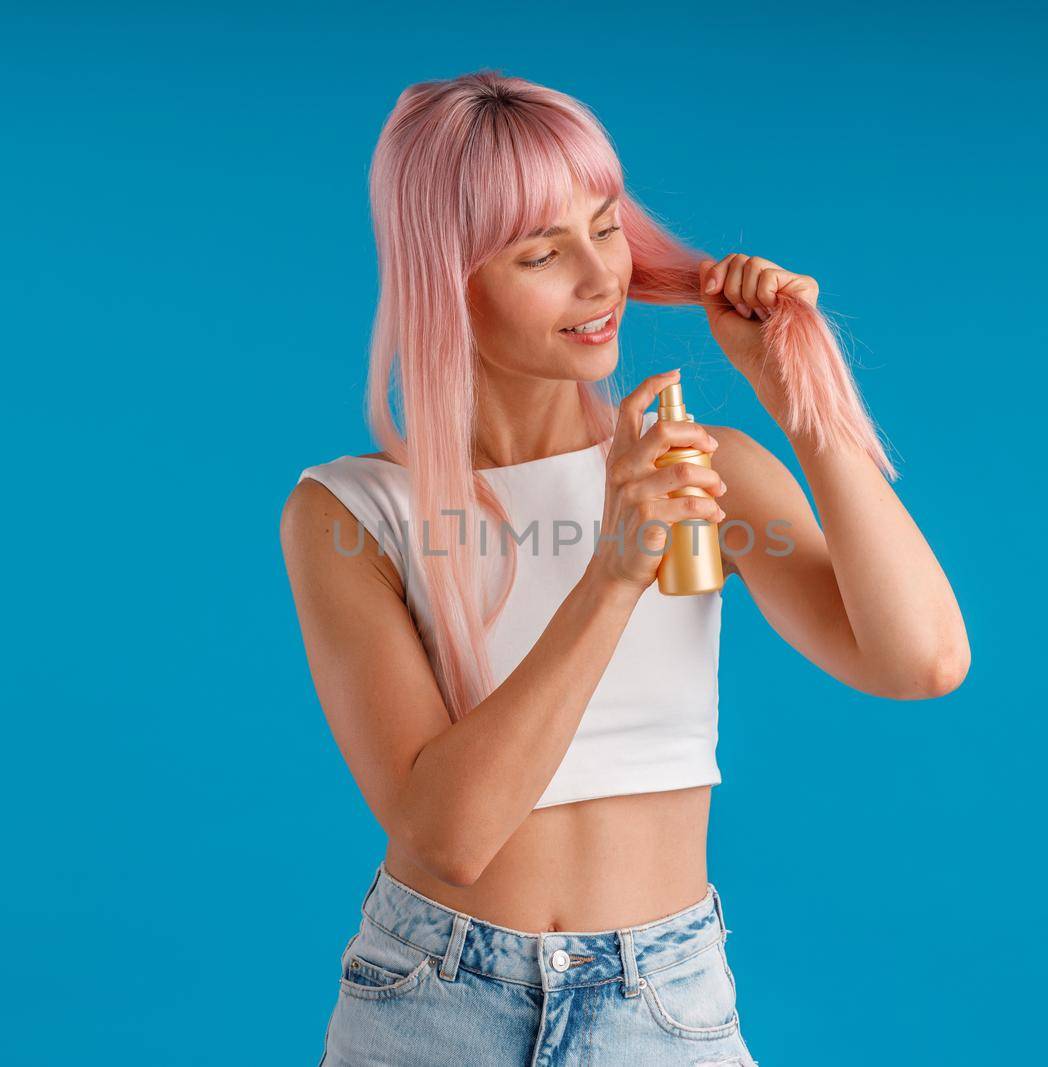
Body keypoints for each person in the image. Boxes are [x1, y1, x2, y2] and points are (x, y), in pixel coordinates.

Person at [280, 69, 969, 1066]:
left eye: (605, 228)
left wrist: (801, 403)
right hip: (431, 1003)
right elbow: (449, 835)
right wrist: (612, 569)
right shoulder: (350, 514)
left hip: (663, 998)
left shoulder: (703, 467)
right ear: (446, 276)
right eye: (541, 252)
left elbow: (922, 661)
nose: (600, 280)